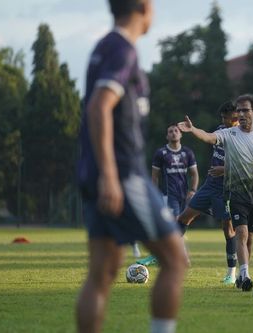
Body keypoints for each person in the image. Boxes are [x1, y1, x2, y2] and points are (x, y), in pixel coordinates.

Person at [75, 1, 188, 332]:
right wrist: (111, 175)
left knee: (102, 273)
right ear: (143, 6)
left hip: (97, 174)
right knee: (174, 260)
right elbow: (99, 107)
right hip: (122, 176)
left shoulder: (104, 46)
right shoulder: (122, 50)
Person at [178, 93, 253, 292]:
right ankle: (244, 276)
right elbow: (209, 137)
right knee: (240, 233)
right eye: (239, 111)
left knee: (249, 238)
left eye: (245, 110)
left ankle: (241, 273)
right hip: (234, 193)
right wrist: (192, 130)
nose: (241, 114)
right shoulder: (228, 134)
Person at [176, 101, 239, 285]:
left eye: (225, 117)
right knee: (183, 218)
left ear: (234, 117)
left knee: (228, 230)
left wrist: (224, 170)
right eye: (222, 117)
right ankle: (166, 253)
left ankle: (231, 272)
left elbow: (248, 166)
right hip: (209, 186)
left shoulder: (243, 136)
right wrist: (193, 128)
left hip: (226, 189)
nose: (223, 120)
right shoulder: (221, 129)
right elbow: (207, 136)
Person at [136, 124, 198, 266]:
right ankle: (176, 256)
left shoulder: (187, 153)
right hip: (168, 195)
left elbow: (194, 174)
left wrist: (193, 190)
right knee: (173, 224)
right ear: (167, 136)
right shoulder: (161, 153)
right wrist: (155, 194)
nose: (174, 133)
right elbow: (154, 176)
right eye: (170, 131)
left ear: (181, 134)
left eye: (176, 131)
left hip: (184, 195)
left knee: (179, 225)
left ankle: (165, 254)